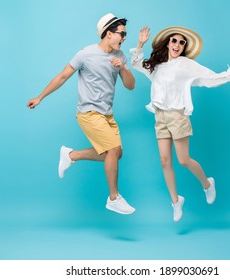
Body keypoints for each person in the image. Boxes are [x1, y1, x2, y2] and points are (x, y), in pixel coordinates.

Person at [130, 26, 230, 222]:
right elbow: (136, 63)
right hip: (160, 116)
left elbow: (208, 78)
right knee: (165, 161)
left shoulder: (186, 65)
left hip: (178, 116)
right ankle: (176, 202)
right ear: (168, 42)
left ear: (184, 47)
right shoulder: (157, 64)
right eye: (174, 40)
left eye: (182, 43)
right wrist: (140, 43)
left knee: (183, 160)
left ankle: (207, 184)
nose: (177, 45)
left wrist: (229, 77)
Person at [27, 13, 136, 215]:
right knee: (113, 150)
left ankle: (71, 155)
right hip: (88, 112)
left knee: (115, 154)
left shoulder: (119, 56)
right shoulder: (86, 54)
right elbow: (62, 76)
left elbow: (130, 86)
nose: (125, 37)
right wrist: (40, 97)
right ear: (109, 33)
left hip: (107, 115)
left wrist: (124, 68)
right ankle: (114, 198)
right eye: (122, 33)